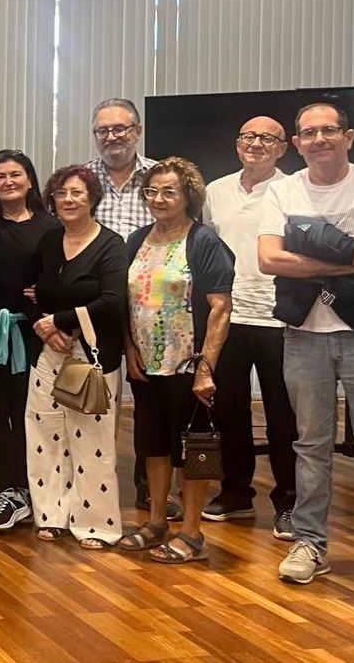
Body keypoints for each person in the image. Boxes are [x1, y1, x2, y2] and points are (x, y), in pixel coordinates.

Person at [259, 102, 354, 598]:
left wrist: (310, 251)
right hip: (305, 335)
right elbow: (269, 259)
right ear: (297, 143)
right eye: (309, 133)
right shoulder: (283, 190)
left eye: (329, 130)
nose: (319, 139)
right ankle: (310, 544)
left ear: (348, 137)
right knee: (310, 446)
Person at [117, 157, 233, 564]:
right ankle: (155, 523)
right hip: (146, 364)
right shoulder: (137, 240)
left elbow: (220, 308)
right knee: (153, 445)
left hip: (188, 364)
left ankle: (193, 532)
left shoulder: (204, 242)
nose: (159, 199)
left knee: (193, 448)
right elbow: (127, 302)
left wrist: (206, 367)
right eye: (151, 191)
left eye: (169, 191)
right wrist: (129, 349)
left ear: (188, 196)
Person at [200, 117, 299, 539]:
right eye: (247, 136)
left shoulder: (294, 189)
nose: (255, 144)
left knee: (283, 416)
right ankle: (236, 493)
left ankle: (289, 501)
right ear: (237, 143)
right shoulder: (215, 191)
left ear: (282, 148)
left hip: (279, 319)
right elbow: (206, 250)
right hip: (228, 318)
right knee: (229, 412)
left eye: (266, 138)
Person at [25, 164, 127, 548]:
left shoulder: (111, 245)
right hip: (51, 352)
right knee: (44, 435)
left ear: (92, 199)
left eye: (77, 193)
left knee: (93, 442)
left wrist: (59, 320)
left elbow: (113, 301)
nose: (68, 200)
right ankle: (51, 516)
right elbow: (28, 290)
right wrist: (45, 327)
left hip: (91, 357)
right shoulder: (51, 241)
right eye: (61, 193)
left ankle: (97, 525)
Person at [0, 150, 59, 531]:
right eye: (0, 176)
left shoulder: (50, 225)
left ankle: (33, 487)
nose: (8, 182)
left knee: (29, 412)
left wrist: (48, 290)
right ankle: (8, 489)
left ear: (30, 179)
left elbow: (61, 273)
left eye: (15, 174)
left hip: (32, 331)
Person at [85, 97, 169, 518]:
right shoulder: (80, 180)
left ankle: (150, 488)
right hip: (95, 307)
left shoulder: (161, 179)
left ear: (137, 131)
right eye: (103, 130)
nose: (112, 137)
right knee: (91, 397)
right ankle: (90, 488)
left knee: (152, 403)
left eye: (120, 128)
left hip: (150, 307)